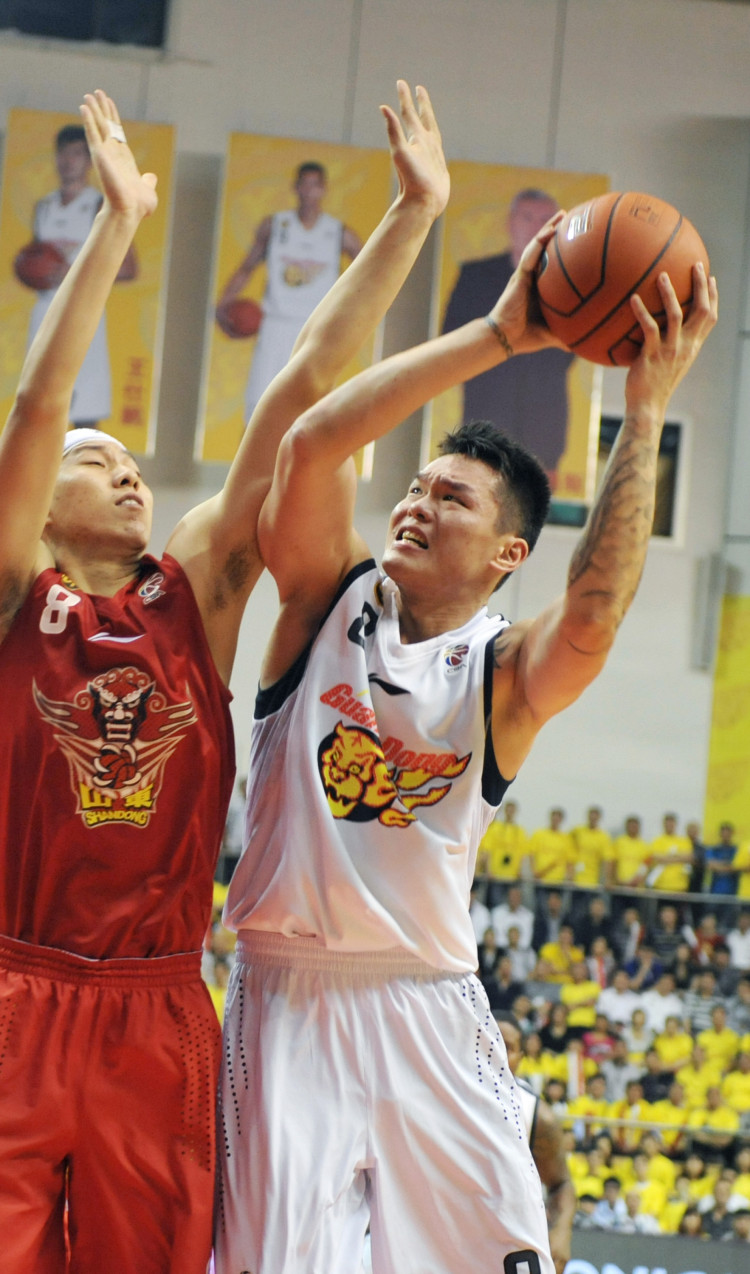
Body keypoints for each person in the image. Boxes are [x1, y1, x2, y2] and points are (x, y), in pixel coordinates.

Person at [0, 82, 448, 1274]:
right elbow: (40, 403)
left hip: (155, 1007)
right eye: (98, 462)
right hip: (15, 996)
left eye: (134, 459)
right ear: (39, 508)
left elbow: (299, 390)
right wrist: (118, 223)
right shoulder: (8, 604)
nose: (127, 472)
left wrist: (409, 218)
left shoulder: (192, 591)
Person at [216, 186, 716, 1272]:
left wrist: (639, 411)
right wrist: (501, 332)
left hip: (426, 1006)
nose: (413, 502)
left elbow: (591, 610)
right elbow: (307, 446)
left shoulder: (499, 675)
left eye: (449, 499)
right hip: (285, 995)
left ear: (503, 554)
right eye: (414, 484)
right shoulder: (323, 602)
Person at [440, 187, 575, 477]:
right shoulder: (475, 275)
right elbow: (449, 339)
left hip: (544, 424)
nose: (536, 227)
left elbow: (572, 350)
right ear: (510, 223)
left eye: (545, 219)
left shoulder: (572, 281)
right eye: (527, 218)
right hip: (485, 415)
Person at [215, 159, 363, 421]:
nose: (308, 191)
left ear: (323, 190)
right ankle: (252, 460)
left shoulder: (338, 233)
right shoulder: (274, 226)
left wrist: (354, 314)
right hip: (275, 323)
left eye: (314, 185)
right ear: (295, 188)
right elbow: (247, 267)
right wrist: (223, 304)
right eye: (303, 185)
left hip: (314, 329)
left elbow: (369, 271)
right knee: (259, 406)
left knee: (308, 410)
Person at [25, 123, 138, 428]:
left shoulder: (101, 204)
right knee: (38, 410)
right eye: (62, 153)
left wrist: (74, 272)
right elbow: (35, 264)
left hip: (82, 312)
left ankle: (86, 474)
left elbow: (129, 268)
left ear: (89, 161)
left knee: (84, 417)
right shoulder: (44, 207)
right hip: (45, 310)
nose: (68, 161)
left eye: (76, 154)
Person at [496, 1012, 577, 1273]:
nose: (497, 1051)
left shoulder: (537, 1116)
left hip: (511, 1237)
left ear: (521, 1057)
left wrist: (562, 1229)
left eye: (508, 1047)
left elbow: (561, 1183)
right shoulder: (442, 1097)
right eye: (490, 1039)